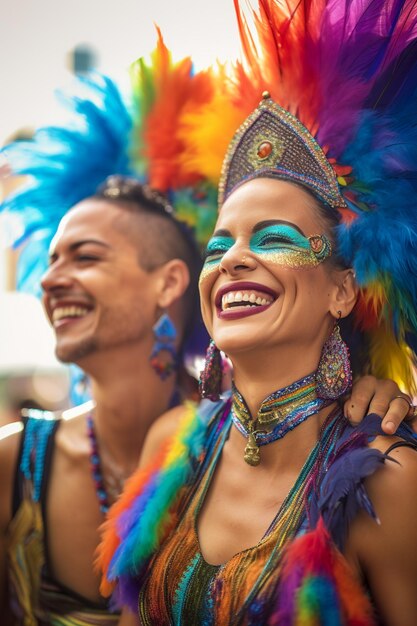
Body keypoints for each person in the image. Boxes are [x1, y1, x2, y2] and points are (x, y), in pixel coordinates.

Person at [98, 1, 417, 625]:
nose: (233, 261)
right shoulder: (171, 449)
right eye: (219, 246)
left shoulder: (392, 483)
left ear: (342, 292)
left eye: (274, 239)